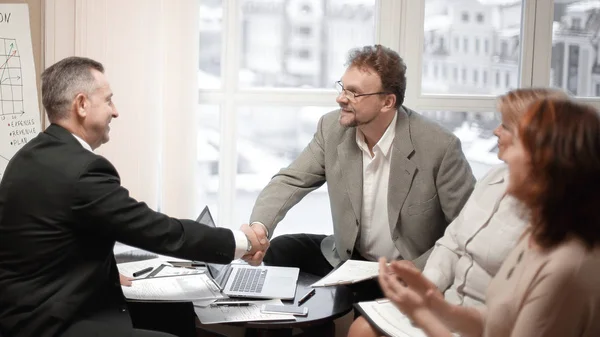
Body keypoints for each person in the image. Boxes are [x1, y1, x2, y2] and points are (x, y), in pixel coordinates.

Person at [0, 56, 269, 337]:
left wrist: (104, 274)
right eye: (108, 101)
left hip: (25, 315)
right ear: (81, 105)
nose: (115, 112)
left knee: (178, 316)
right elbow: (157, 231)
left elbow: (45, 243)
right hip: (56, 324)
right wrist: (242, 242)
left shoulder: (29, 156)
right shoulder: (83, 170)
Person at [247, 45, 476, 300]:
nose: (341, 98)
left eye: (354, 93)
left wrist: (419, 268)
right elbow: (290, 181)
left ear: (387, 101)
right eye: (343, 87)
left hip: (405, 271)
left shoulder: (439, 146)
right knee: (281, 250)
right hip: (351, 261)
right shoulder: (332, 128)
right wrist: (259, 228)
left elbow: (469, 230)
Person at [347, 87, 570, 336]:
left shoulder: (555, 218)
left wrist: (429, 309)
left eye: (505, 126)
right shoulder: (494, 177)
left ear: (533, 138)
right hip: (446, 302)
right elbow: (451, 242)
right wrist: (426, 289)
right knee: (362, 329)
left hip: (483, 322)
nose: (496, 131)